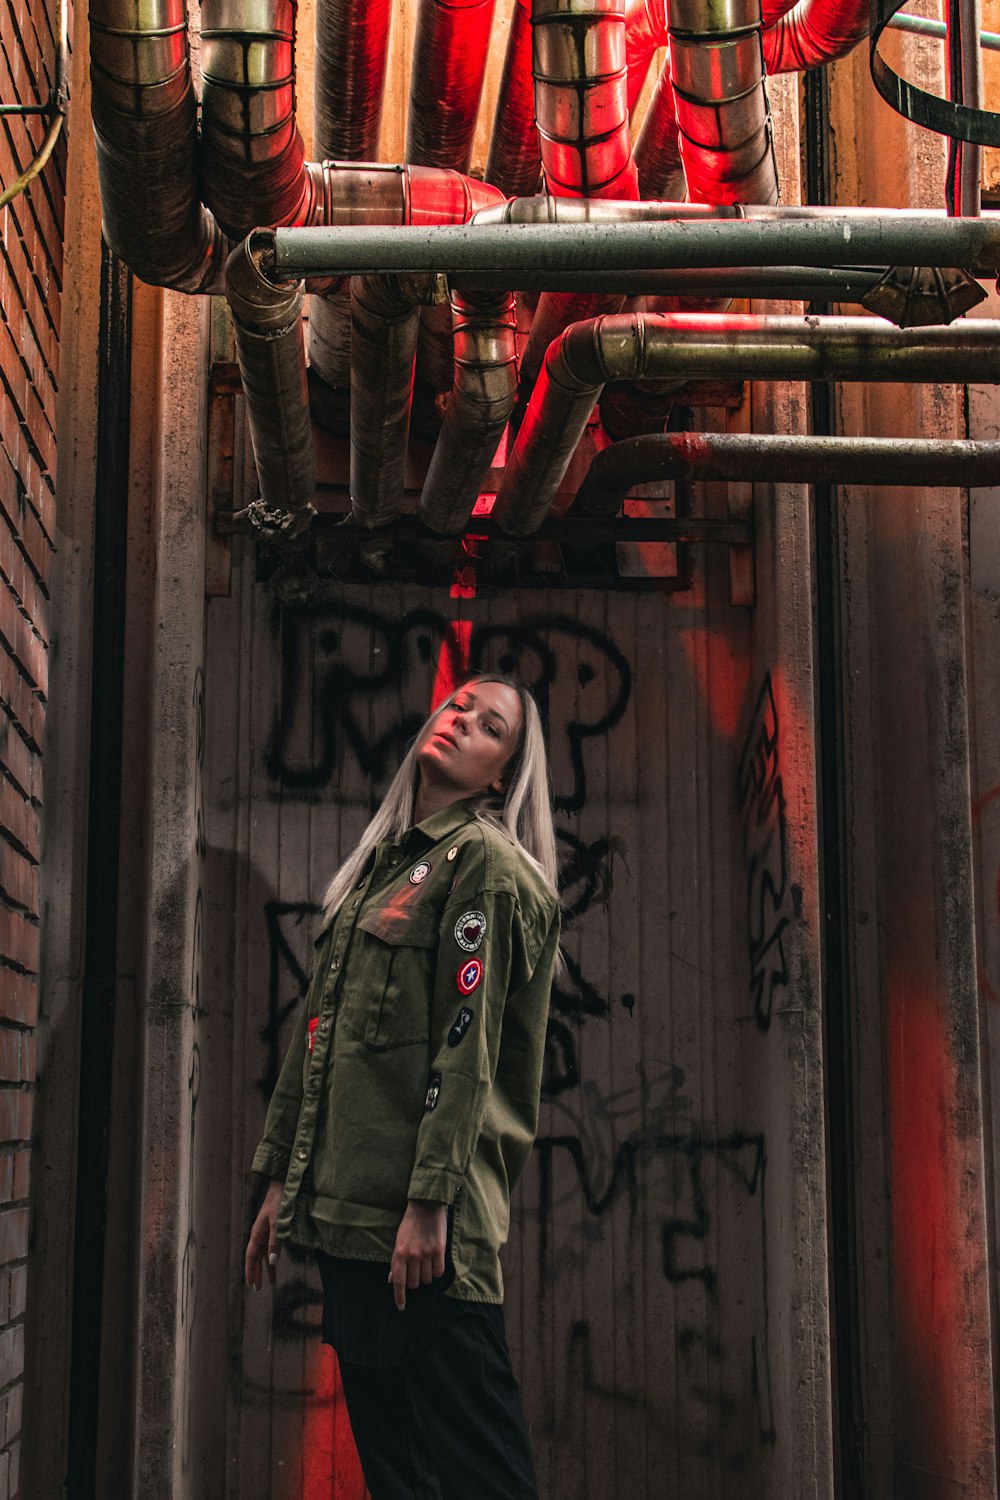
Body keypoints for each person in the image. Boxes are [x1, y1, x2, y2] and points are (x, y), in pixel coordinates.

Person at [245, 674, 562, 1500]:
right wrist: (284, 1177)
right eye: (459, 705)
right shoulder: (380, 874)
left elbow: (468, 1055)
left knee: (482, 1481)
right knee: (402, 1481)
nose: (461, 720)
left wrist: (431, 1205)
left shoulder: (484, 868)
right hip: (350, 1225)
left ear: (502, 775)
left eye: (489, 725)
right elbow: (319, 1041)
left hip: (422, 1240)